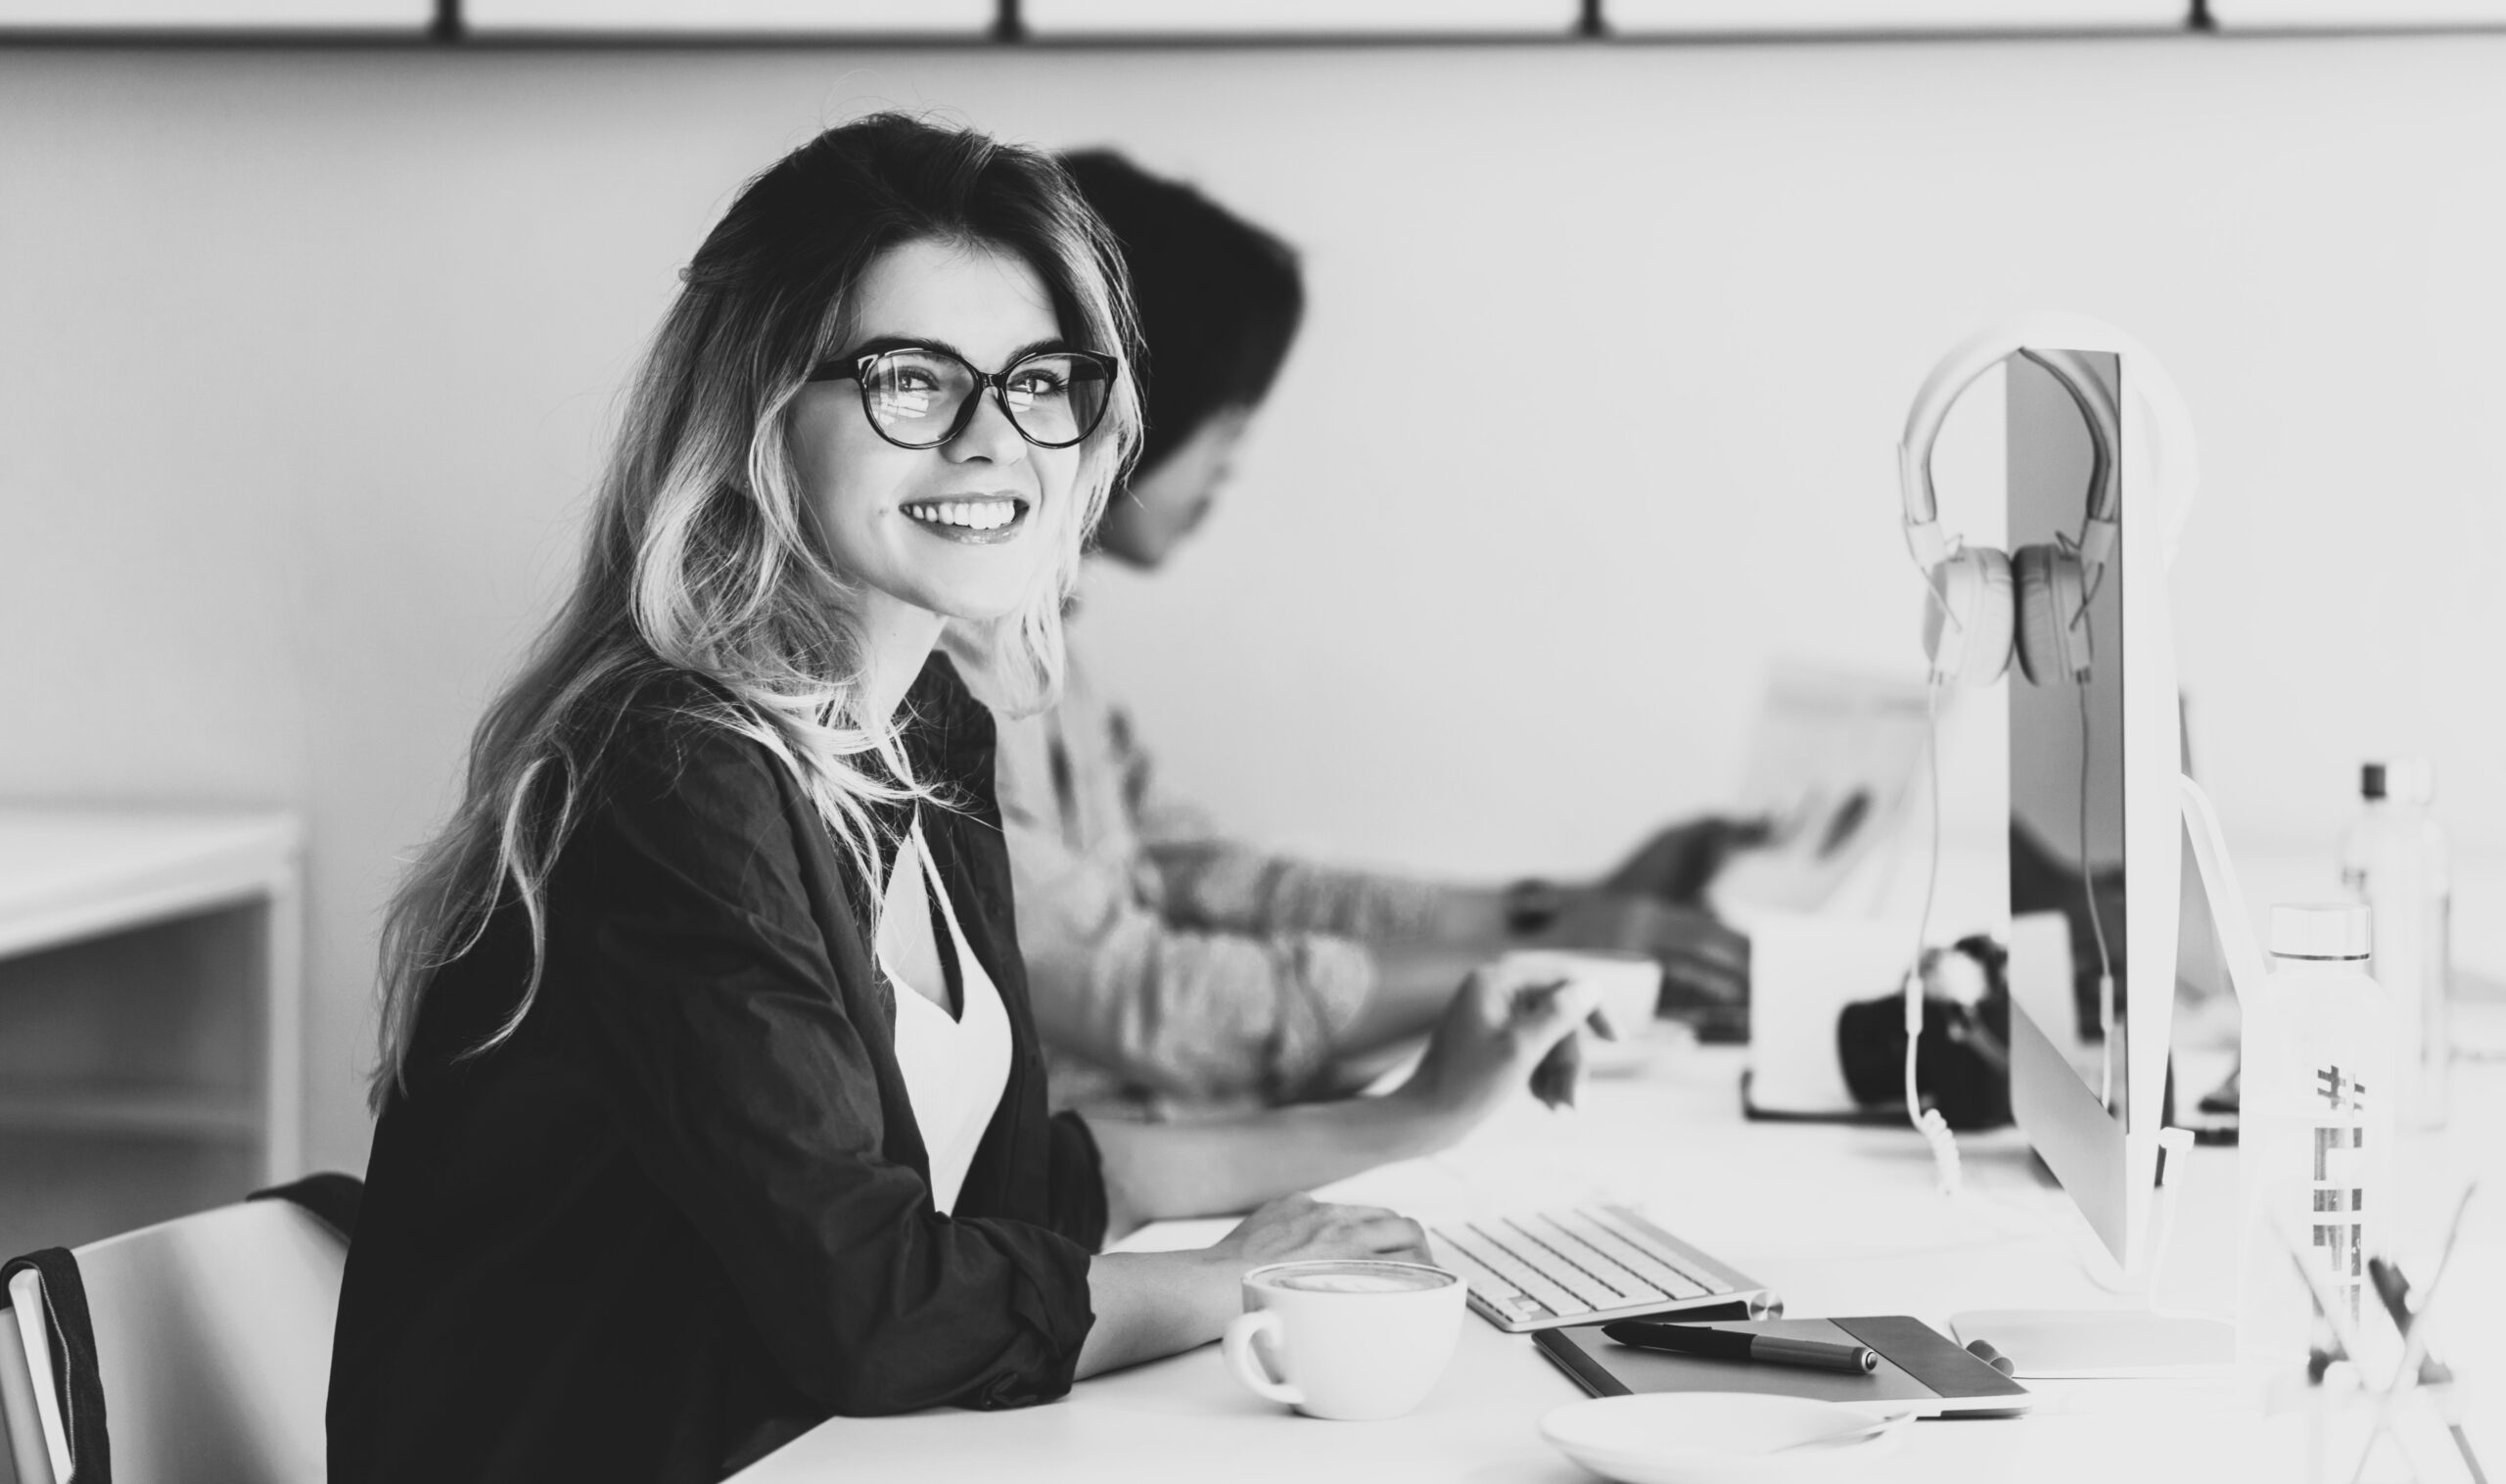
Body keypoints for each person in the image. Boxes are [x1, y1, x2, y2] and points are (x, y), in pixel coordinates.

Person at [329, 114, 1603, 1484]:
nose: (995, 439)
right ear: (759, 412)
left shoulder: (921, 724)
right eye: (914, 381)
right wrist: (1243, 1279)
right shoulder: (677, 772)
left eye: (1038, 381)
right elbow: (873, 1304)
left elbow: (1005, 1190)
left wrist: (1412, 1116)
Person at [997, 151, 1758, 1116]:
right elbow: (1153, 996)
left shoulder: (1049, 664)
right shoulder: (937, 681)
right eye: (1229, 412)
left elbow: (1214, 884)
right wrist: (1529, 962)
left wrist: (1555, 911)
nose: (1235, 457)